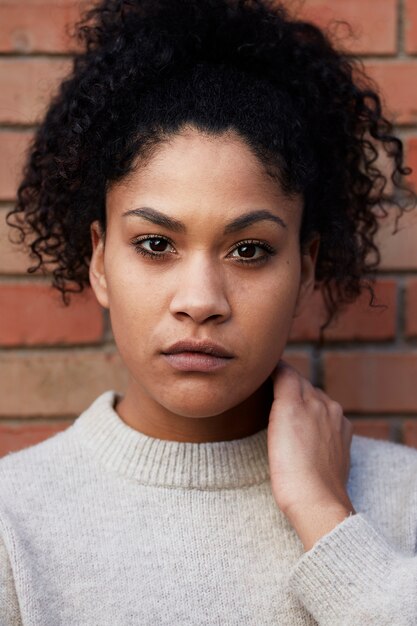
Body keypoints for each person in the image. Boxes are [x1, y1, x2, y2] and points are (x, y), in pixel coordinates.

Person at [1, 0, 416, 624]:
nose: (200, 301)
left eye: (249, 250)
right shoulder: (13, 522)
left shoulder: (405, 502)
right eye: (155, 244)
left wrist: (329, 521)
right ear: (98, 261)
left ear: (304, 272)